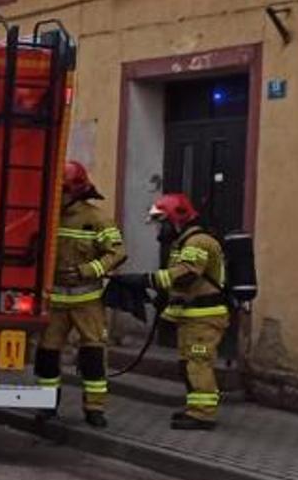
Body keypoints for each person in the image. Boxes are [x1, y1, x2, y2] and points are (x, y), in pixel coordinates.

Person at [122, 193, 230, 431]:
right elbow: (178, 285)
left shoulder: (197, 241)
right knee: (188, 363)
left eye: (163, 222)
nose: (161, 229)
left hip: (205, 318)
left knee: (198, 362)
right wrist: (165, 310)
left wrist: (146, 280)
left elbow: (188, 274)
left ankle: (204, 414)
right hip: (192, 318)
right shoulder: (183, 242)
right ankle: (195, 408)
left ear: (176, 218)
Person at [37, 162, 126, 428]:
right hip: (54, 300)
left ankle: (94, 409)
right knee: (47, 354)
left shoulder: (97, 219)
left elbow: (118, 253)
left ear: (75, 191)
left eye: (62, 190)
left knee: (93, 354)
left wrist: (88, 270)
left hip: (87, 300)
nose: (59, 195)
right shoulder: (48, 216)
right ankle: (47, 404)